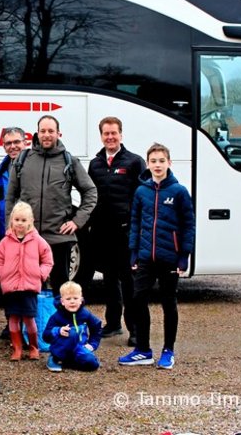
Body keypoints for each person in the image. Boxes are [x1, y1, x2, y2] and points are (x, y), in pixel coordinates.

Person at [119, 143, 195, 370]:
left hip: (170, 258)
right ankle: (143, 350)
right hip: (145, 257)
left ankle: (168, 351)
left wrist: (184, 256)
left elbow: (188, 225)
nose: (157, 165)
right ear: (148, 164)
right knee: (137, 299)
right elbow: (135, 222)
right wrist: (133, 252)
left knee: (168, 303)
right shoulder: (142, 191)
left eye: (161, 161)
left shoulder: (179, 191)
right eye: (153, 161)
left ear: (169, 163)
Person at [4, 115, 97, 295]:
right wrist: (11, 227)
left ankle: (59, 324)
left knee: (60, 291)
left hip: (59, 238)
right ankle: (19, 324)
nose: (46, 135)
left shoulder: (69, 161)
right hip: (27, 237)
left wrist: (77, 222)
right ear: (37, 133)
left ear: (58, 133)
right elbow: (10, 197)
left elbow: (90, 192)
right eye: (43, 131)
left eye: (51, 131)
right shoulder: (22, 160)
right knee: (23, 289)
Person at [87, 117, 146, 347]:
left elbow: (143, 197)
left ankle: (135, 329)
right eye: (106, 134)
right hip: (102, 233)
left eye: (114, 133)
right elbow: (91, 197)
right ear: (101, 136)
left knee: (129, 282)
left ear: (121, 134)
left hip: (126, 233)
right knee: (109, 280)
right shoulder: (95, 164)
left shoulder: (134, 162)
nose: (110, 137)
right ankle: (112, 324)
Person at [0, 201, 53, 361]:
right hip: (11, 288)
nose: (20, 223)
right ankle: (17, 348)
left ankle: (33, 347)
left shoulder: (38, 240)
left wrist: (40, 274)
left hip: (29, 287)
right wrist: (0, 275)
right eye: (17, 220)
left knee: (29, 319)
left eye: (23, 220)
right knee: (13, 319)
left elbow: (48, 260)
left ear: (30, 222)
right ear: (11, 220)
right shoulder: (5, 242)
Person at [42, 281, 102, 372]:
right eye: (68, 299)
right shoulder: (57, 316)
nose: (72, 301)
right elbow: (45, 335)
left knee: (93, 364)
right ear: (62, 301)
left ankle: (68, 363)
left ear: (81, 300)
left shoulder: (85, 314)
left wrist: (92, 344)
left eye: (75, 298)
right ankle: (55, 357)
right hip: (62, 347)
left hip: (79, 347)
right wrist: (58, 330)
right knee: (72, 332)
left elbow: (97, 326)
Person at [0, 127, 26, 241]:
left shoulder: (35, 168)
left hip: (27, 234)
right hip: (5, 234)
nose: (12, 146)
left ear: (25, 143)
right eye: (8, 143)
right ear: (4, 147)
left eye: (16, 142)